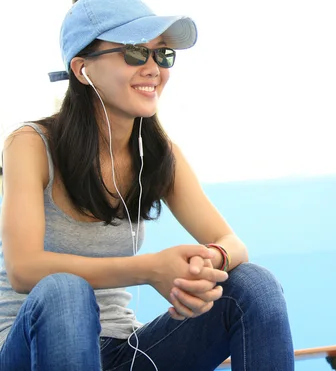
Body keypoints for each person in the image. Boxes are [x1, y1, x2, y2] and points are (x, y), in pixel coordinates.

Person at [0, 0, 295, 370]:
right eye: (136, 52)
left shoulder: (160, 154)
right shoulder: (30, 144)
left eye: (162, 54)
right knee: (65, 290)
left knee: (253, 285)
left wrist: (207, 262)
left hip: (126, 350)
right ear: (82, 68)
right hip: (29, 352)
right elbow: (24, 269)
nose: (153, 69)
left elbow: (234, 244)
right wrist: (150, 268)